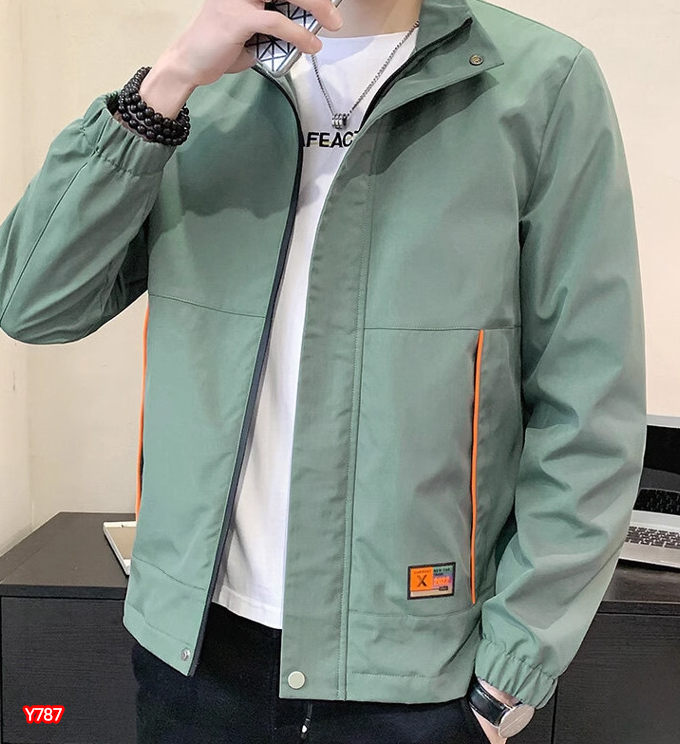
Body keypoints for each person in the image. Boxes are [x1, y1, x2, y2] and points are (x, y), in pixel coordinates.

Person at [0, 0, 647, 742]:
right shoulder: (207, 88)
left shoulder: (538, 84)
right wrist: (167, 84)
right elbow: (33, 303)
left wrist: (510, 674)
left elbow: (589, 406)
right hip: (195, 656)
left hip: (419, 675)